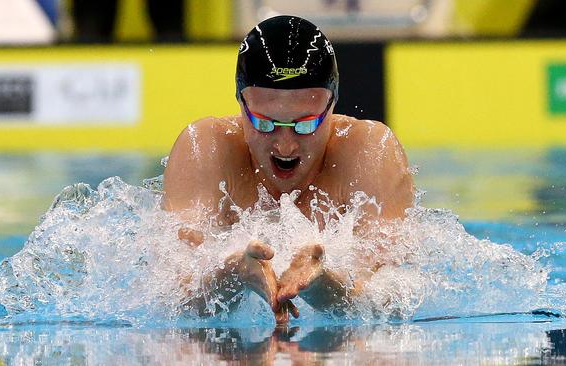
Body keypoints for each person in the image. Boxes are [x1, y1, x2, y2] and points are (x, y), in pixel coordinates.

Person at [163, 15, 414, 324]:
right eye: (264, 123)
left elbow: (387, 307)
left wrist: (323, 283)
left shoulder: (370, 153)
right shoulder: (205, 150)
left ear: (332, 104)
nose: (284, 146)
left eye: (305, 124)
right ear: (241, 103)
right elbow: (172, 302)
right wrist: (231, 274)